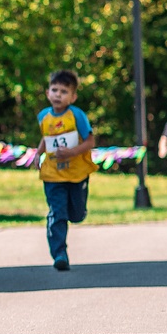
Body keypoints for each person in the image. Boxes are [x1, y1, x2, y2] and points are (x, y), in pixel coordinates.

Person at [36, 70, 98, 272]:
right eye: (54, 90)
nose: (58, 95)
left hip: (77, 173)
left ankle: (79, 211)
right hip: (52, 174)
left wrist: (71, 152)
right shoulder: (44, 116)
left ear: (73, 97)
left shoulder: (76, 115)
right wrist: (38, 154)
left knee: (76, 214)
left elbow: (90, 141)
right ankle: (59, 254)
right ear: (47, 93)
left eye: (64, 91)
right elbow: (47, 138)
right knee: (57, 212)